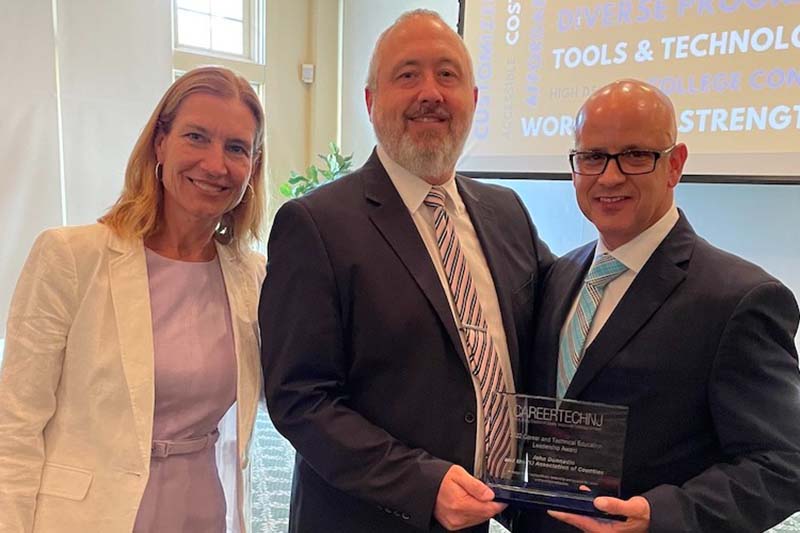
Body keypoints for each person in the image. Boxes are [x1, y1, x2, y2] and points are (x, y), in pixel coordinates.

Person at [260, 9, 554, 533]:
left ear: (474, 101)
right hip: (366, 519)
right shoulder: (315, 224)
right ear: (371, 102)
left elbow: (548, 337)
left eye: (448, 75)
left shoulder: (507, 213)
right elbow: (300, 400)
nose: (430, 92)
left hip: (485, 516)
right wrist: (421, 484)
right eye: (407, 74)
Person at [517, 79, 800, 533]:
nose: (609, 177)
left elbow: (784, 463)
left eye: (634, 155)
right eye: (592, 157)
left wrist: (665, 515)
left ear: (675, 164)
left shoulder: (740, 299)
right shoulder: (559, 276)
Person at [0, 66, 266, 533]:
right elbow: (15, 427)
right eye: (197, 137)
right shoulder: (70, 257)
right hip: (89, 515)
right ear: (160, 144)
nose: (215, 164)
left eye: (236, 148)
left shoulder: (251, 277)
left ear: (252, 167)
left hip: (202, 509)